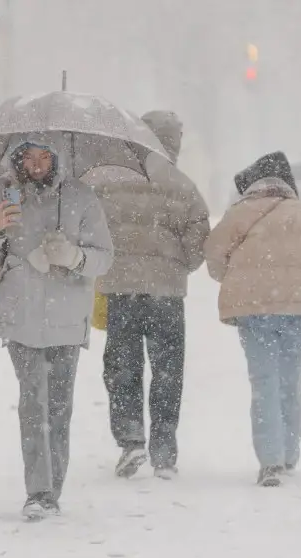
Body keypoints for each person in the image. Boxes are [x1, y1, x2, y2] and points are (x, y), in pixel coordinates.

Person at [0, 136, 113, 520]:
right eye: (29, 157)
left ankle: (52, 488)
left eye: (44, 156)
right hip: (21, 312)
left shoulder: (81, 197)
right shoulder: (3, 192)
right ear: (18, 158)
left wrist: (75, 256)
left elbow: (105, 258)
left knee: (59, 406)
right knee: (34, 402)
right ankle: (39, 492)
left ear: (57, 158)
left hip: (67, 315)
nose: (36, 165)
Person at [204, 151, 301, 487]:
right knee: (290, 383)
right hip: (297, 312)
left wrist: (234, 278)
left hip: (254, 312)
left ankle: (270, 461)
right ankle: (289, 452)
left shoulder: (239, 214)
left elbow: (213, 254)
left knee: (263, 382)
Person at [96, 110, 210, 480]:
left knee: (123, 366)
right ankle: (164, 449)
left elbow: (93, 229)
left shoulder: (109, 180)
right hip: (166, 292)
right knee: (167, 370)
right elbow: (199, 242)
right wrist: (177, 266)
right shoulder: (183, 185)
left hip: (121, 289)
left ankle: (130, 439)